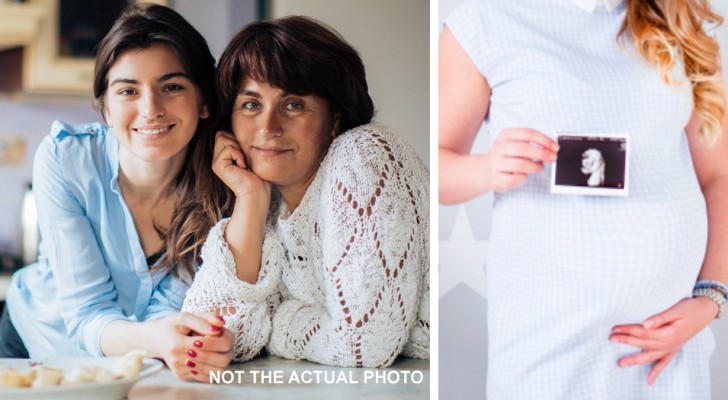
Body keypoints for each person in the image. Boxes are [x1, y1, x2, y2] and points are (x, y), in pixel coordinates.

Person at [439, 0, 727, 398]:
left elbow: (719, 175)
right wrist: (486, 168)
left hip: (665, 347)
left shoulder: (679, 20)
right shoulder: (487, 21)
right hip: (546, 345)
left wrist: (712, 298)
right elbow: (436, 167)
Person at [0, 4, 234, 382]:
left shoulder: (224, 184)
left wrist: (175, 338)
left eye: (171, 87)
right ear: (105, 108)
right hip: (36, 344)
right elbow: (87, 313)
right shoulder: (66, 159)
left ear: (204, 100)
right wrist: (160, 338)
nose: (150, 109)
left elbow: (173, 317)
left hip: (139, 363)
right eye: (128, 90)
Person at [182, 15, 430, 368]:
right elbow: (210, 338)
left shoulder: (363, 154)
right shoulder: (267, 200)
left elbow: (364, 347)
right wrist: (250, 200)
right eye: (251, 104)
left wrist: (279, 322)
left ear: (335, 119)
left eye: (294, 104)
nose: (268, 127)